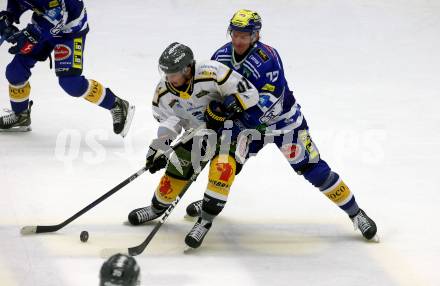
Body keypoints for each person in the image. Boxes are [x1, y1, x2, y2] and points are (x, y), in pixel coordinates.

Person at [185, 9, 378, 248]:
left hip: (283, 124)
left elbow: (271, 101)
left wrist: (235, 107)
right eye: (235, 33)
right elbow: (213, 88)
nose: (238, 39)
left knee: (315, 170)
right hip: (246, 125)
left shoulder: (268, 58)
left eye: (244, 35)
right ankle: (209, 208)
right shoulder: (221, 55)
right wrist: (213, 108)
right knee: (226, 163)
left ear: (256, 35)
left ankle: (356, 213)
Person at [126, 42, 260, 249]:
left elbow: (250, 94)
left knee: (221, 170)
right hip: (199, 132)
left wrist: (226, 107)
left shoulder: (212, 72)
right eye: (165, 72)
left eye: (173, 73)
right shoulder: (163, 92)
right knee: (177, 166)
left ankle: (205, 220)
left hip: (233, 130)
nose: (168, 78)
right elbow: (171, 121)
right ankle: (157, 208)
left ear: (187, 68)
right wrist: (161, 146)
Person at [0, 0, 134, 136]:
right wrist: (8, 15)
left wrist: (31, 35)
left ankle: (116, 104)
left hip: (70, 29)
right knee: (15, 71)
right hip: (43, 23)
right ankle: (20, 115)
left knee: (71, 83)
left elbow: (61, 14)